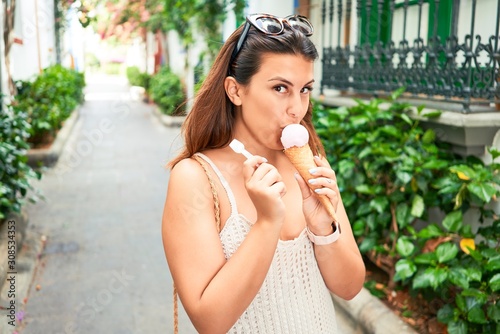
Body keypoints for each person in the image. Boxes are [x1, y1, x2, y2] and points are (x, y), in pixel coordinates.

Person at [162, 13, 365, 333]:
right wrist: (268, 223)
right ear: (235, 91)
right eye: (280, 88)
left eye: (305, 89)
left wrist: (325, 227)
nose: (297, 108)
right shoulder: (196, 179)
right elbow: (209, 321)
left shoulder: (309, 161)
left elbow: (350, 286)